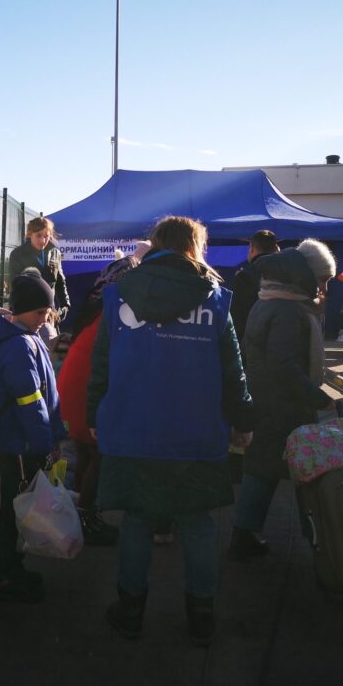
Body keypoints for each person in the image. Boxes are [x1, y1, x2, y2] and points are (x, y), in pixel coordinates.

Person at [87, 216, 255, 645]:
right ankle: (201, 617)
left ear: (156, 245)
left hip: (132, 427)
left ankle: (130, 611)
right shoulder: (215, 298)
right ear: (194, 247)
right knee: (197, 523)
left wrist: (93, 415)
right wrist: (243, 420)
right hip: (195, 432)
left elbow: (101, 365)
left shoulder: (119, 295)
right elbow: (232, 369)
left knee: (138, 521)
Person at [230, 239, 337, 562]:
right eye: (323, 279)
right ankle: (323, 542)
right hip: (282, 408)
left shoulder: (268, 301)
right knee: (305, 476)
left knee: (261, 472)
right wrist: (316, 396)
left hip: (265, 403)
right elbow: (283, 363)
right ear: (305, 275)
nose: (324, 287)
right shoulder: (289, 310)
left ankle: (244, 534)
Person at [0, 273, 67, 603]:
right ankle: (6, 572)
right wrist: (46, 443)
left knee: (15, 506)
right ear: (25, 309)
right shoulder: (19, 346)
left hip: (23, 441)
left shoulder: (24, 337)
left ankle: (11, 566)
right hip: (22, 444)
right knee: (14, 509)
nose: (45, 318)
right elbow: (31, 403)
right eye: (41, 311)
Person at [55, 247, 147, 547]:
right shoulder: (119, 312)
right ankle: (86, 517)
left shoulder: (97, 305)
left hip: (73, 387)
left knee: (85, 453)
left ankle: (80, 516)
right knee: (98, 456)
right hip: (87, 389)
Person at [7, 216, 70, 323]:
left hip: (50, 312)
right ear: (29, 234)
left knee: (50, 339)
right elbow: (14, 287)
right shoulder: (17, 254)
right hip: (26, 313)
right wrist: (16, 313)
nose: (43, 240)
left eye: (46, 236)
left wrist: (65, 304)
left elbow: (60, 281)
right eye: (38, 235)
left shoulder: (55, 253)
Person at [230, 229, 280, 340]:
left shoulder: (244, 276)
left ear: (252, 248)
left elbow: (237, 316)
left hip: (251, 340)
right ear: (276, 249)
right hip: (280, 336)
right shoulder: (286, 274)